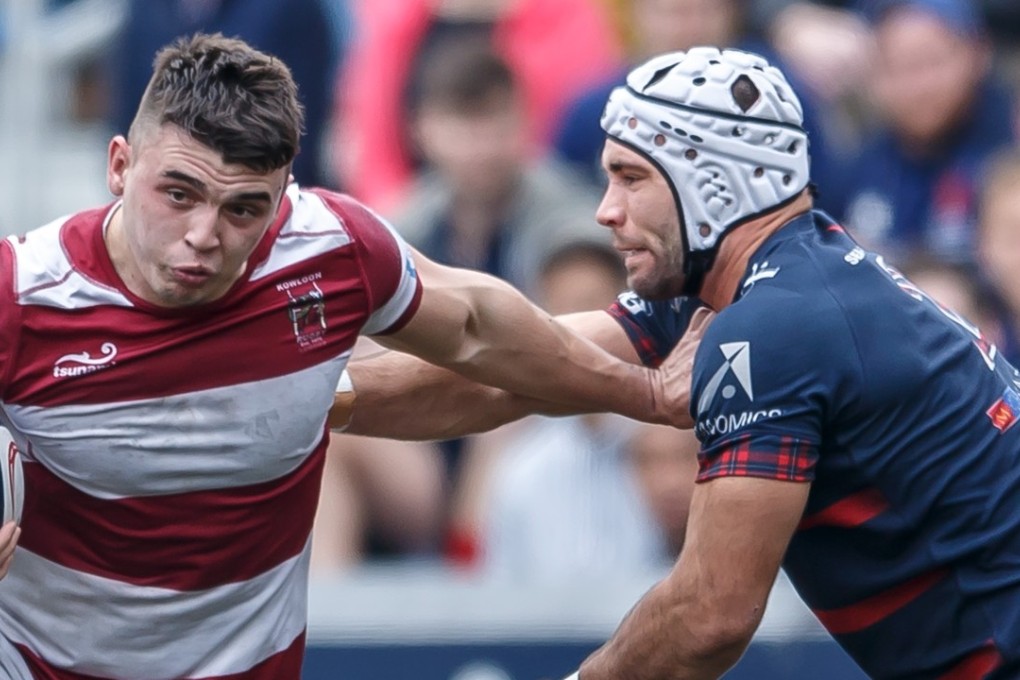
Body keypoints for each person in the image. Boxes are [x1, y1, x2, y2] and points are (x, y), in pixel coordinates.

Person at [0, 33, 695, 679]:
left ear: (282, 199)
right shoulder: (19, 293)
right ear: (120, 165)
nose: (204, 235)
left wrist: (647, 392)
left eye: (245, 208)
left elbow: (482, 325)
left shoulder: (329, 249)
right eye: (178, 195)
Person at [339, 46, 1020, 679]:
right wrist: (309, 403)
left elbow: (711, 614)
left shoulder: (778, 325)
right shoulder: (751, 289)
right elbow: (506, 376)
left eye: (630, 177)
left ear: (714, 184)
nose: (605, 211)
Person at [841, 0, 1016, 266]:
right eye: (897, 67)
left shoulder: (1009, 143)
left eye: (931, 62)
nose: (919, 86)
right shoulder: (862, 162)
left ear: (977, 52)